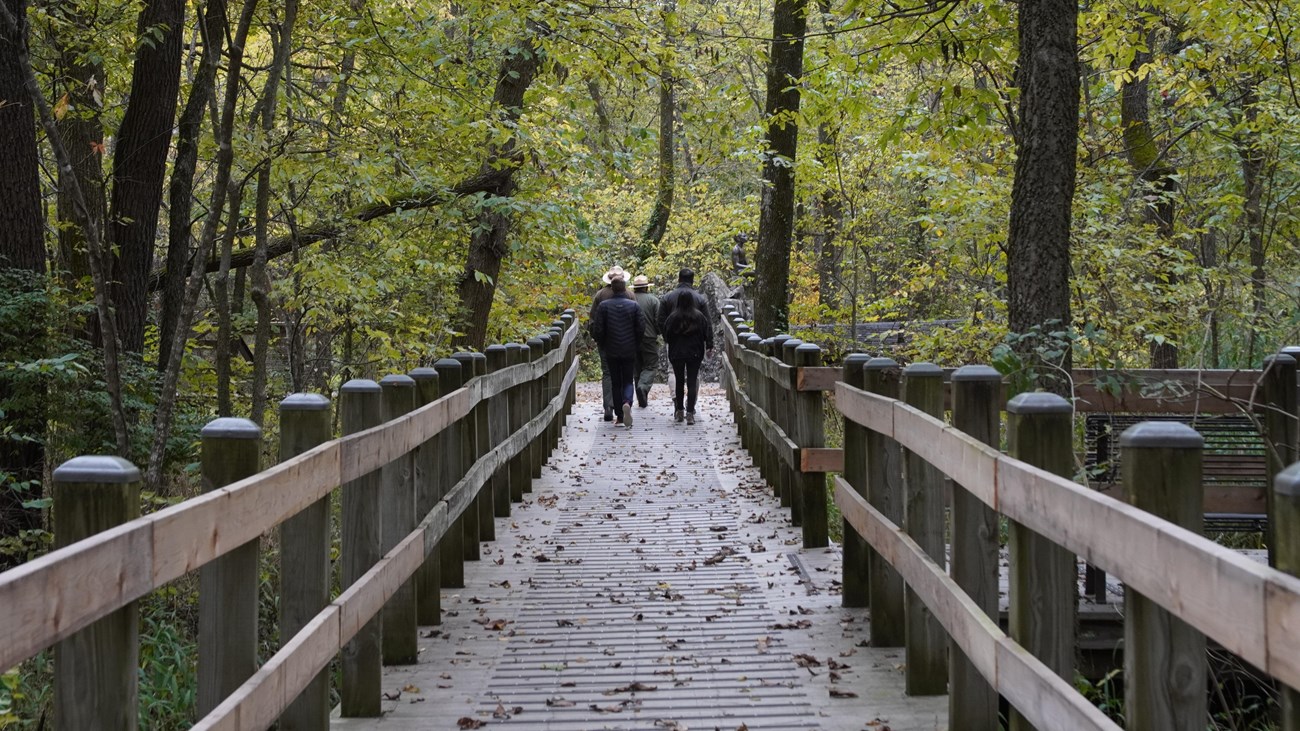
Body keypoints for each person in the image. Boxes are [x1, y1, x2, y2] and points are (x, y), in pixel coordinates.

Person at [658, 268, 713, 424]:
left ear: (678, 278)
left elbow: (661, 322)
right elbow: (707, 325)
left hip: (676, 348)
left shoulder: (668, 301)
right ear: (692, 280)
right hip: (695, 349)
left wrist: (668, 339)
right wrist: (709, 343)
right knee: (693, 379)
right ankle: (690, 411)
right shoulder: (700, 304)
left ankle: (679, 409)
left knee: (678, 378)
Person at [590, 277, 645, 428]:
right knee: (628, 379)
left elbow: (598, 329)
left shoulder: (603, 306)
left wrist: (603, 343)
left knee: (615, 382)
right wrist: (635, 343)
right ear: (625, 288)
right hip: (629, 348)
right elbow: (641, 327)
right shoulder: (634, 306)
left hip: (611, 349)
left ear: (612, 289)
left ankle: (620, 417)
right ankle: (627, 402)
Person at [589, 265, 627, 421]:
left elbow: (593, 320)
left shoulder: (600, 295)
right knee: (624, 373)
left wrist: (597, 337)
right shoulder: (630, 294)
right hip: (625, 341)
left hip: (605, 341)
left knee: (607, 373)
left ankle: (608, 406)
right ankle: (623, 404)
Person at [630, 275, 661, 408]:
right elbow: (658, 320)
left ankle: (641, 398)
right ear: (647, 287)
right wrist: (659, 332)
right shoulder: (653, 300)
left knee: (637, 368)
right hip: (649, 337)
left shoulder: (629, 299)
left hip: (631, 338)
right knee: (651, 366)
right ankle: (643, 388)